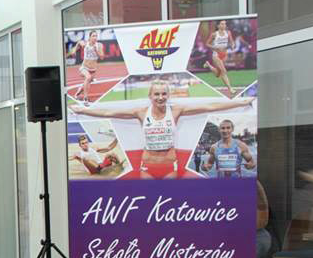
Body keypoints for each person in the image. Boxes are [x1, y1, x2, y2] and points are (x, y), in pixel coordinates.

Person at [70, 79, 254, 179]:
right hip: (148, 166)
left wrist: (240, 102)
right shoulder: (141, 112)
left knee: (168, 203)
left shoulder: (176, 111)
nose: (160, 97)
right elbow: (108, 112)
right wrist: (83, 110)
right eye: (156, 94)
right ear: (150, 96)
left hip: (169, 165)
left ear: (168, 95)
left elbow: (210, 107)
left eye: (164, 94)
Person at [67, 30, 104, 104]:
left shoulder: (99, 45)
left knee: (87, 82)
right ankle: (85, 98)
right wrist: (74, 50)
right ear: (89, 37)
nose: (95, 37)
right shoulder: (85, 44)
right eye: (93, 36)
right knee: (88, 77)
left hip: (93, 69)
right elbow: (79, 42)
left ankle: (78, 92)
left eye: (96, 36)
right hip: (84, 67)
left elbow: (102, 57)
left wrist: (96, 51)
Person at [205, 20, 235, 96]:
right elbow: (207, 44)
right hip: (216, 55)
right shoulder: (214, 34)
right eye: (222, 24)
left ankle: (208, 65)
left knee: (218, 74)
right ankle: (230, 89)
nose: (224, 25)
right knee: (223, 71)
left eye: (225, 24)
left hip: (224, 54)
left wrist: (232, 46)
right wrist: (215, 48)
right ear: (218, 26)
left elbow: (232, 42)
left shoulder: (228, 33)